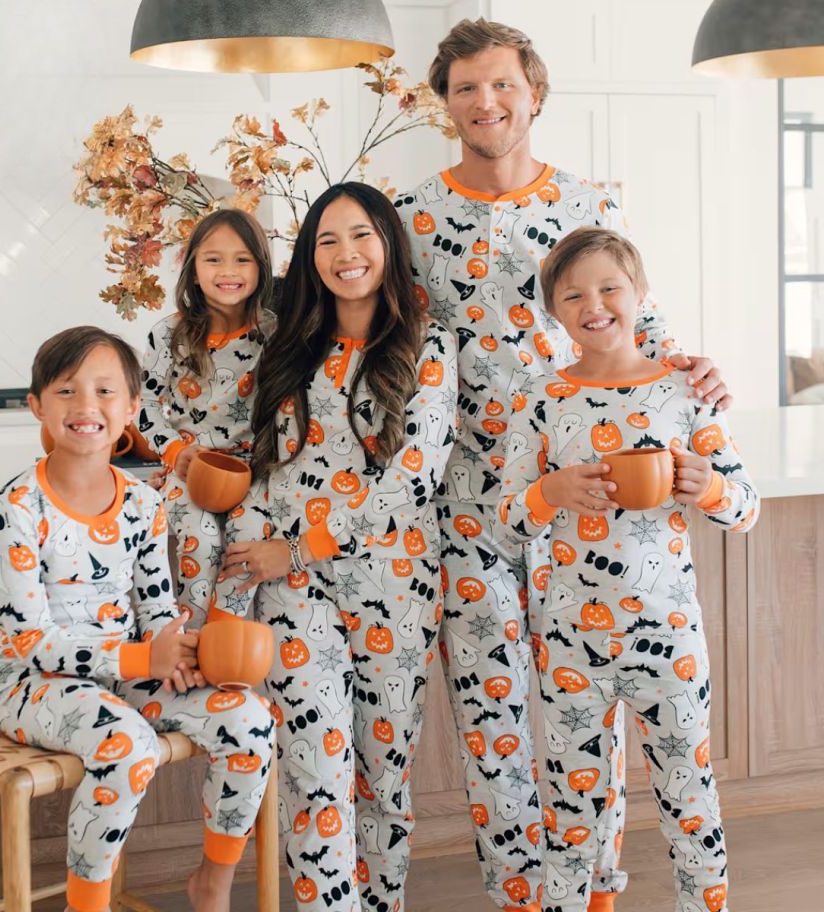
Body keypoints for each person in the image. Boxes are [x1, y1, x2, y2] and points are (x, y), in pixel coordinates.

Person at [395, 18, 732, 911]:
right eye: (466, 87)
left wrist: (693, 371)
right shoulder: (412, 218)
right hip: (475, 506)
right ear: (447, 104)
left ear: (533, 93)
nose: (485, 101)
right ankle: (523, 900)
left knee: (587, 726)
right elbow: (392, 348)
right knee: (495, 724)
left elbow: (637, 326)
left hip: (593, 508)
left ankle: (596, 893)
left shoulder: (590, 202)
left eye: (501, 83)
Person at [497, 226, 756, 912]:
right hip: (569, 645)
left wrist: (706, 487)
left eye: (610, 287)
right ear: (555, 310)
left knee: (689, 800)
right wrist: (548, 494)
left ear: (640, 294)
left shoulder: (685, 390)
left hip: (669, 644)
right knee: (573, 813)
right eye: (574, 293)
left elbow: (745, 509)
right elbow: (504, 517)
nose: (595, 304)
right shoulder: (541, 397)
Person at [217, 183, 458, 912]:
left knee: (382, 779)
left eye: (360, 237)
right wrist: (241, 583)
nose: (345, 255)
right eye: (326, 241)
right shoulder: (288, 347)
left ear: (388, 244)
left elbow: (413, 478)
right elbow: (262, 465)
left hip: (396, 586)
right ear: (308, 255)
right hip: (294, 592)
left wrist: (301, 548)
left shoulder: (429, 343)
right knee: (313, 773)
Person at [0, 326, 274, 912]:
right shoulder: (14, 509)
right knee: (128, 743)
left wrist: (179, 651)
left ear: (132, 410)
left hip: (126, 677)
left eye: (104, 391)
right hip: (34, 685)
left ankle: (212, 883)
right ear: (37, 405)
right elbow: (26, 639)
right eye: (66, 392)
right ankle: (85, 906)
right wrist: (145, 657)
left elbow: (158, 607)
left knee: (251, 717)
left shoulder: (144, 504)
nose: (86, 407)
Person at [138, 209, 273, 629]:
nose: (227, 271)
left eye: (242, 259)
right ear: (193, 270)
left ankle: (224, 633)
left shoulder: (277, 333)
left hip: (256, 472)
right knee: (200, 538)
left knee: (247, 535)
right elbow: (143, 404)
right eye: (213, 259)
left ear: (261, 268)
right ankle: (191, 635)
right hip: (190, 471)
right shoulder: (168, 335)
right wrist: (175, 451)